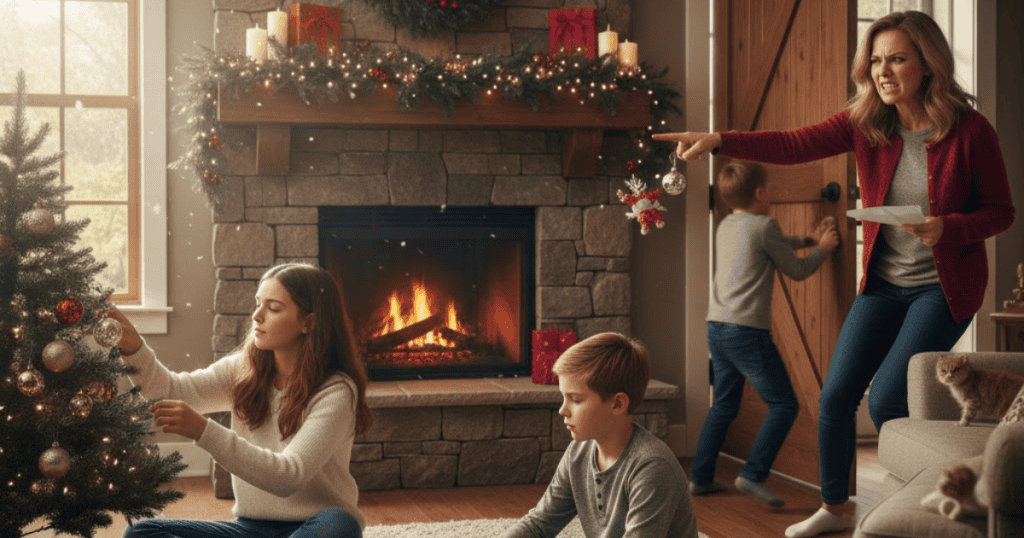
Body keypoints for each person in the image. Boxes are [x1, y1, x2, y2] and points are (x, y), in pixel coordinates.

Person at [653, 10, 1014, 538]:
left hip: (942, 287)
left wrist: (948, 227)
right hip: (884, 283)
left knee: (890, 397)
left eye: (896, 59)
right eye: (875, 61)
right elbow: (793, 144)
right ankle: (834, 508)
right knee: (835, 395)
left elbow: (1001, 212)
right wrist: (719, 140)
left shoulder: (970, 131)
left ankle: (916, 500)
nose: (882, 72)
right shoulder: (868, 121)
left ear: (928, 63)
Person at [117, 263, 373, 538]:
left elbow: (288, 476)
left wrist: (203, 431)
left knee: (340, 524)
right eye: (258, 304)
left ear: (308, 322)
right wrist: (133, 347)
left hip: (314, 527)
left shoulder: (336, 391)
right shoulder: (241, 371)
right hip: (249, 529)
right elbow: (169, 391)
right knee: (143, 532)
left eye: (273, 308)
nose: (257, 316)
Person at [692, 161, 839, 508]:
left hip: (717, 326)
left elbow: (769, 246)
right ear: (760, 193)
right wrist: (823, 249)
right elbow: (797, 269)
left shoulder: (727, 225)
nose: (771, 193)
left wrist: (806, 238)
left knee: (724, 405)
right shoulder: (765, 226)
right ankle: (754, 474)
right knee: (784, 404)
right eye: (769, 188)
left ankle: (700, 477)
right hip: (747, 332)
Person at [502, 332, 698, 538]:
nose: (562, 410)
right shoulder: (578, 453)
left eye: (575, 400)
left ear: (618, 404)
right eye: (563, 397)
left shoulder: (652, 466)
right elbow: (539, 525)